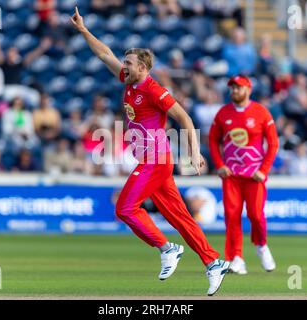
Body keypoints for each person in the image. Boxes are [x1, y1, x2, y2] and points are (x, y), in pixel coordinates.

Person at [70, 7, 229, 296]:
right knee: (180, 217)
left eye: (129, 63)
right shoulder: (129, 81)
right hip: (152, 161)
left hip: (156, 160)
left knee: (125, 208)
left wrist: (194, 152)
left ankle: (167, 248)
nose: (124, 66)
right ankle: (212, 262)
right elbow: (104, 54)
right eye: (125, 62)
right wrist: (83, 30)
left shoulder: (155, 91)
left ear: (143, 68)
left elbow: (185, 118)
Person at [208, 75, 279, 275]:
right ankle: (236, 258)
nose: (234, 92)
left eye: (238, 88)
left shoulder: (261, 112)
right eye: (232, 88)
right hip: (231, 175)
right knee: (232, 216)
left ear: (248, 89)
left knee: (256, 215)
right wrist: (220, 164)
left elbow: (273, 143)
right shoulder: (223, 113)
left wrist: (263, 170)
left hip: (254, 175)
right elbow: (213, 141)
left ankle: (261, 245)